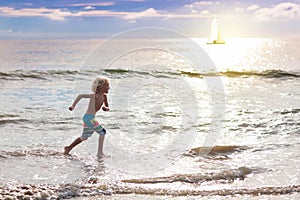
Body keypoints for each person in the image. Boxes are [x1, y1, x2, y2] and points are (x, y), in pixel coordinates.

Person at [64, 76, 110, 159]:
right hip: (89, 118)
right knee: (102, 132)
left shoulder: (105, 97)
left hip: (89, 118)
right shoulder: (93, 96)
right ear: (100, 86)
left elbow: (107, 107)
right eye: (107, 85)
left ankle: (68, 147)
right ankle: (100, 153)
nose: (109, 87)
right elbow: (80, 96)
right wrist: (73, 106)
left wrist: (105, 108)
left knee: (84, 137)